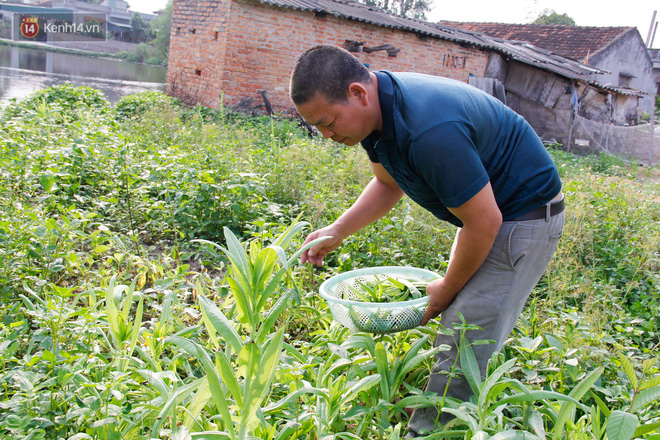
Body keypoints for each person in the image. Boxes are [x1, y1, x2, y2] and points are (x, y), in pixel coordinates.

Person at [289, 44, 565, 437]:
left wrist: (446, 289)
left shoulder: (427, 129)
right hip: (490, 215)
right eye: (317, 127)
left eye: (328, 122)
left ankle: (431, 432)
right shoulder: (377, 118)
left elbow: (485, 222)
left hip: (524, 218)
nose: (327, 135)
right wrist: (338, 231)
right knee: (464, 318)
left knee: (464, 330)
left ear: (357, 93)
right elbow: (388, 183)